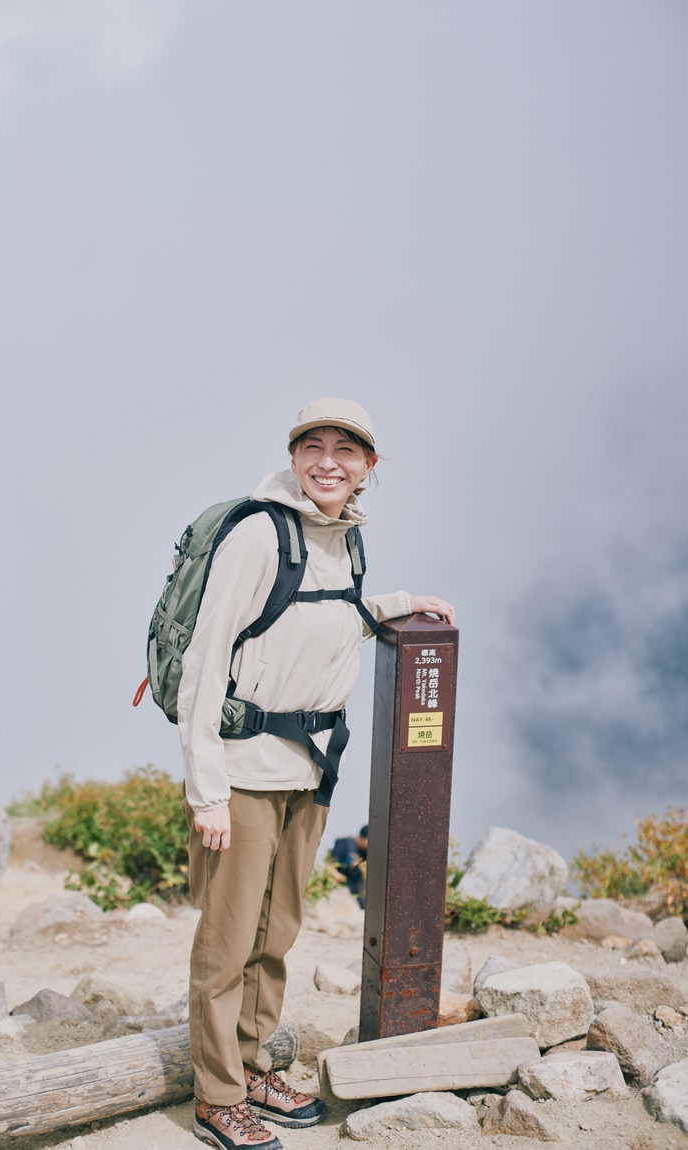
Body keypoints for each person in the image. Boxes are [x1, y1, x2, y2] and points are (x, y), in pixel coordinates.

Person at [178, 397, 455, 1150]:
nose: (328, 460)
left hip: (308, 770)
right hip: (243, 772)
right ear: (293, 454)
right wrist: (204, 791)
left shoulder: (342, 540)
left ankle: (249, 1061)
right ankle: (215, 1096)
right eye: (313, 445)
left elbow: (329, 614)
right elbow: (204, 665)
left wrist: (396, 606)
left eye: (346, 448)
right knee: (228, 940)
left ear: (369, 466)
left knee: (278, 932)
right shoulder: (257, 534)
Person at [330, 825, 369, 908]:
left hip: (357, 884)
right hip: (339, 882)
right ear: (361, 838)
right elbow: (330, 863)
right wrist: (335, 874)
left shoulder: (366, 851)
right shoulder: (346, 844)